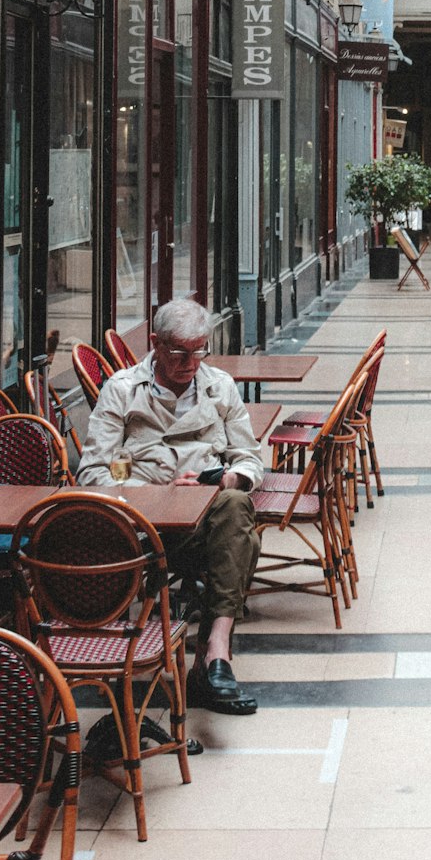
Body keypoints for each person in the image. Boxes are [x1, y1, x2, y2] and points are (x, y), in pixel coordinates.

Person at [78, 299, 264, 716]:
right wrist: (155, 491)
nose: (190, 363)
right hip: (141, 530)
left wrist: (227, 478)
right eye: (179, 352)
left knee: (236, 506)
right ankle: (204, 665)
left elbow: (251, 460)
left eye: (200, 351)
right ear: (155, 345)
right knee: (245, 541)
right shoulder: (122, 390)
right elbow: (91, 472)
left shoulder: (220, 387)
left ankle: (216, 648)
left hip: (205, 523)